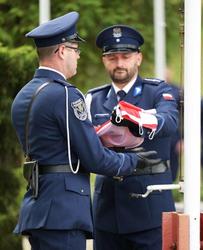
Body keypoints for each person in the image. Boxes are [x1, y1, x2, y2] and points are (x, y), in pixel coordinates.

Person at [11, 13, 156, 250]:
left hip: (39, 206)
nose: (78, 55)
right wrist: (134, 162)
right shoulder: (66, 94)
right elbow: (94, 158)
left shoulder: (24, 95)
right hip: (63, 212)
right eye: (75, 48)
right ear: (61, 51)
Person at [86, 24, 178, 250]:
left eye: (125, 56)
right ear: (104, 60)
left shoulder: (157, 91)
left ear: (138, 58)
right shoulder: (93, 99)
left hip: (148, 207)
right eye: (112, 57)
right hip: (108, 210)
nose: (119, 63)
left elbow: (169, 122)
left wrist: (136, 118)